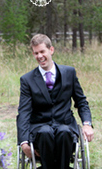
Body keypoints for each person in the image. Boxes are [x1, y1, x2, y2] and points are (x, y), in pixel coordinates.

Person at [17, 34, 94, 169]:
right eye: (36, 53)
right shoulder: (27, 80)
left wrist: (87, 124)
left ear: (51, 50)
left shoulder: (69, 73)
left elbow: (81, 101)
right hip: (40, 127)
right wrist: (23, 142)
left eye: (42, 51)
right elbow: (24, 112)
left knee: (64, 131)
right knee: (45, 132)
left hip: (65, 124)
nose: (39, 56)